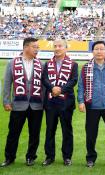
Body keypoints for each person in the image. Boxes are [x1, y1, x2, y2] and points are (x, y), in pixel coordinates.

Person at [77, 41, 105, 168]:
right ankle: (90, 158)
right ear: (93, 51)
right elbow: (81, 86)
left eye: (101, 49)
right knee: (91, 134)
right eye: (96, 49)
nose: (99, 51)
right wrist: (81, 101)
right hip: (92, 106)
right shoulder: (86, 67)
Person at [1, 37, 43, 167]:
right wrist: (6, 101)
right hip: (18, 105)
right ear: (26, 47)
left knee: (34, 134)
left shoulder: (41, 64)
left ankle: (31, 157)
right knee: (13, 133)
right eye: (34, 47)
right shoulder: (12, 63)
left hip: (36, 105)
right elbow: (7, 83)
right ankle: (9, 158)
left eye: (38, 47)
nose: (37, 49)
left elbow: (44, 86)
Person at [42, 39, 78, 166]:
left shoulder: (73, 64)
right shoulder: (47, 64)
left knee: (66, 130)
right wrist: (52, 88)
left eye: (60, 46)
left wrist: (61, 89)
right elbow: (44, 79)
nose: (57, 48)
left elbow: (73, 81)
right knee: (50, 130)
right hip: (51, 103)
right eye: (55, 46)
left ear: (66, 48)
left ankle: (67, 156)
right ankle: (49, 156)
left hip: (66, 103)